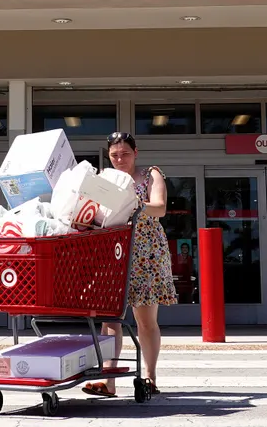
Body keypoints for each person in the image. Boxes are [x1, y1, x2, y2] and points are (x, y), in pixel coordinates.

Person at [83, 132, 177, 398]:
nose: (120, 159)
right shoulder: (105, 179)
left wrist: (134, 204)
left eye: (125, 153)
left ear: (136, 152)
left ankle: (150, 377)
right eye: (114, 155)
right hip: (113, 251)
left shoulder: (151, 175)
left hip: (146, 252)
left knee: (145, 320)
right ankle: (108, 381)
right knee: (110, 319)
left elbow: (159, 208)